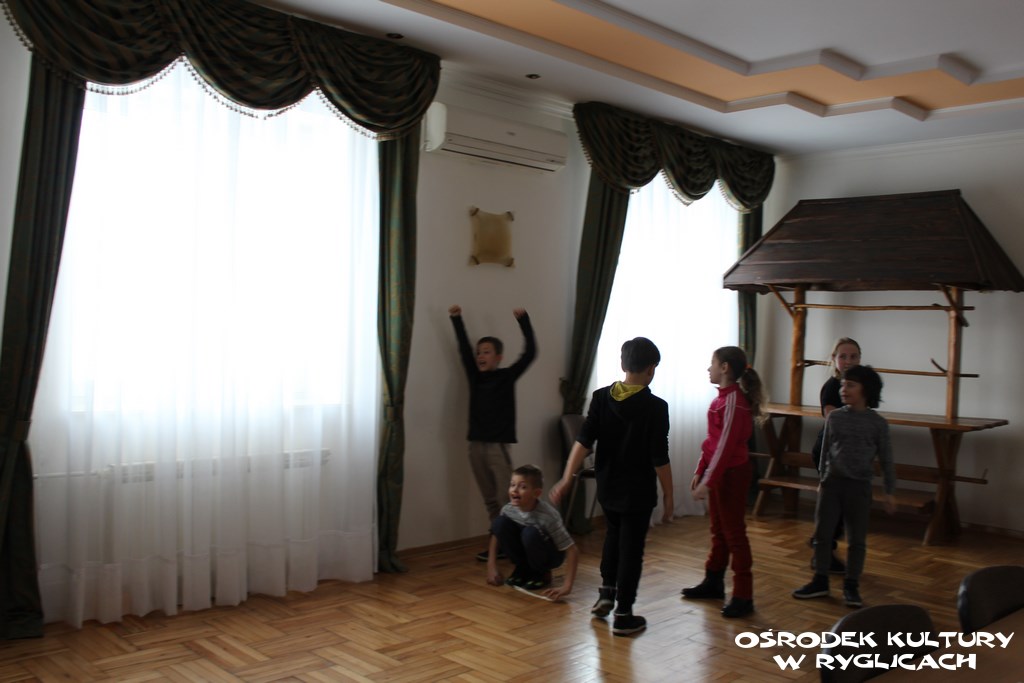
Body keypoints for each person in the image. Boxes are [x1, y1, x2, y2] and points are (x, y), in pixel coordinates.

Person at [550, 337, 673, 637]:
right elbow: (659, 456)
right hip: (638, 491)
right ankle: (624, 614)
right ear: (651, 369)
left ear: (622, 364)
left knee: (613, 538)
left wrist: (567, 477)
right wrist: (669, 493)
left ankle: (606, 593)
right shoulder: (656, 407)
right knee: (632, 550)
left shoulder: (601, 397)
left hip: (608, 487)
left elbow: (583, 441)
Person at [793, 364, 896, 608]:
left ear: (866, 390)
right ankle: (820, 580)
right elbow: (825, 451)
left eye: (850, 385)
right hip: (832, 484)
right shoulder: (835, 417)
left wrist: (889, 491)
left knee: (857, 539)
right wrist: (822, 479)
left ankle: (851, 585)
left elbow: (887, 459)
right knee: (822, 535)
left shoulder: (878, 424)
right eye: (842, 385)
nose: (843, 389)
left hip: (859, 488)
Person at [681, 346, 765, 619]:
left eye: (712, 363)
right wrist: (701, 469)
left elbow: (726, 447)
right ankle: (713, 581)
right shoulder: (722, 399)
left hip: (733, 475)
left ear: (725, 368)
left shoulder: (734, 403)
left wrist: (709, 480)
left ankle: (743, 595)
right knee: (718, 530)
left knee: (734, 533)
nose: (709, 368)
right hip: (720, 473)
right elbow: (712, 443)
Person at [449, 305, 537, 562]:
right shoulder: (475, 377)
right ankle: (498, 544)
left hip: (498, 447)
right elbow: (463, 348)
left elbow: (530, 353)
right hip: (476, 446)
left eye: (486, 351)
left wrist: (524, 321)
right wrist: (456, 319)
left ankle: (515, 544)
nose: (480, 356)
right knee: (490, 500)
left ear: (498, 357)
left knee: (505, 499)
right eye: (479, 352)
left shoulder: (507, 376)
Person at [485, 465, 579, 600]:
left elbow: (572, 550)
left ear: (536, 493)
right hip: (527, 549)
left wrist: (567, 586)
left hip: (550, 555)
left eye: (522, 487)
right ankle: (522, 568)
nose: (514, 490)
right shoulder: (508, 509)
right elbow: (496, 535)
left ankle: (541, 572)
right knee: (499, 523)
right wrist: (491, 566)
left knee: (530, 533)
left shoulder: (548, 516)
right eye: (512, 485)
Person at [810, 338, 862, 574]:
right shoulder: (832, 387)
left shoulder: (861, 386)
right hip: (829, 451)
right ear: (834, 359)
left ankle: (820, 542)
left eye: (853, 356)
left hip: (849, 453)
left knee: (844, 505)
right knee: (833, 507)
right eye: (843, 356)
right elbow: (834, 422)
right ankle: (822, 553)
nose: (848, 361)